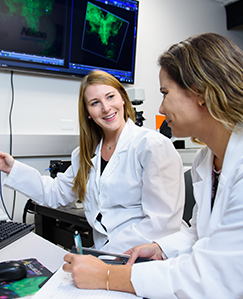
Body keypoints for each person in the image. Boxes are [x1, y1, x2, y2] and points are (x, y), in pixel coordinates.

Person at [62, 33, 243, 298]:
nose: (161, 106)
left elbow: (215, 276)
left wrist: (108, 275)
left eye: (165, 93)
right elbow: (200, 234)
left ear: (200, 92)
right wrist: (159, 247)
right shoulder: (207, 160)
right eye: (94, 103)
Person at [0, 70, 185, 254]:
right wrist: (12, 168)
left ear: (123, 99)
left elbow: (161, 224)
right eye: (95, 103)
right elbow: (55, 193)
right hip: (107, 254)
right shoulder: (84, 154)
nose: (106, 108)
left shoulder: (152, 145)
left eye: (110, 97)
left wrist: (103, 257)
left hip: (147, 256)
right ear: (88, 113)